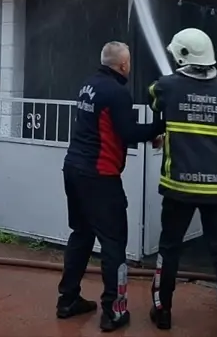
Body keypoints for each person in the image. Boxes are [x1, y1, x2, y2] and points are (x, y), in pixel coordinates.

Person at [146, 28, 217, 337]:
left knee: (169, 247)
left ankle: (162, 312)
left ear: (180, 56)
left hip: (179, 187)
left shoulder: (167, 87)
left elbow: (153, 101)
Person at [58, 41, 163, 332]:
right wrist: (160, 126)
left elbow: (111, 130)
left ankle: (67, 300)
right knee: (114, 243)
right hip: (100, 177)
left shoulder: (89, 85)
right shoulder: (117, 92)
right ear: (124, 65)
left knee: (81, 234)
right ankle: (114, 311)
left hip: (74, 169)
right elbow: (128, 131)